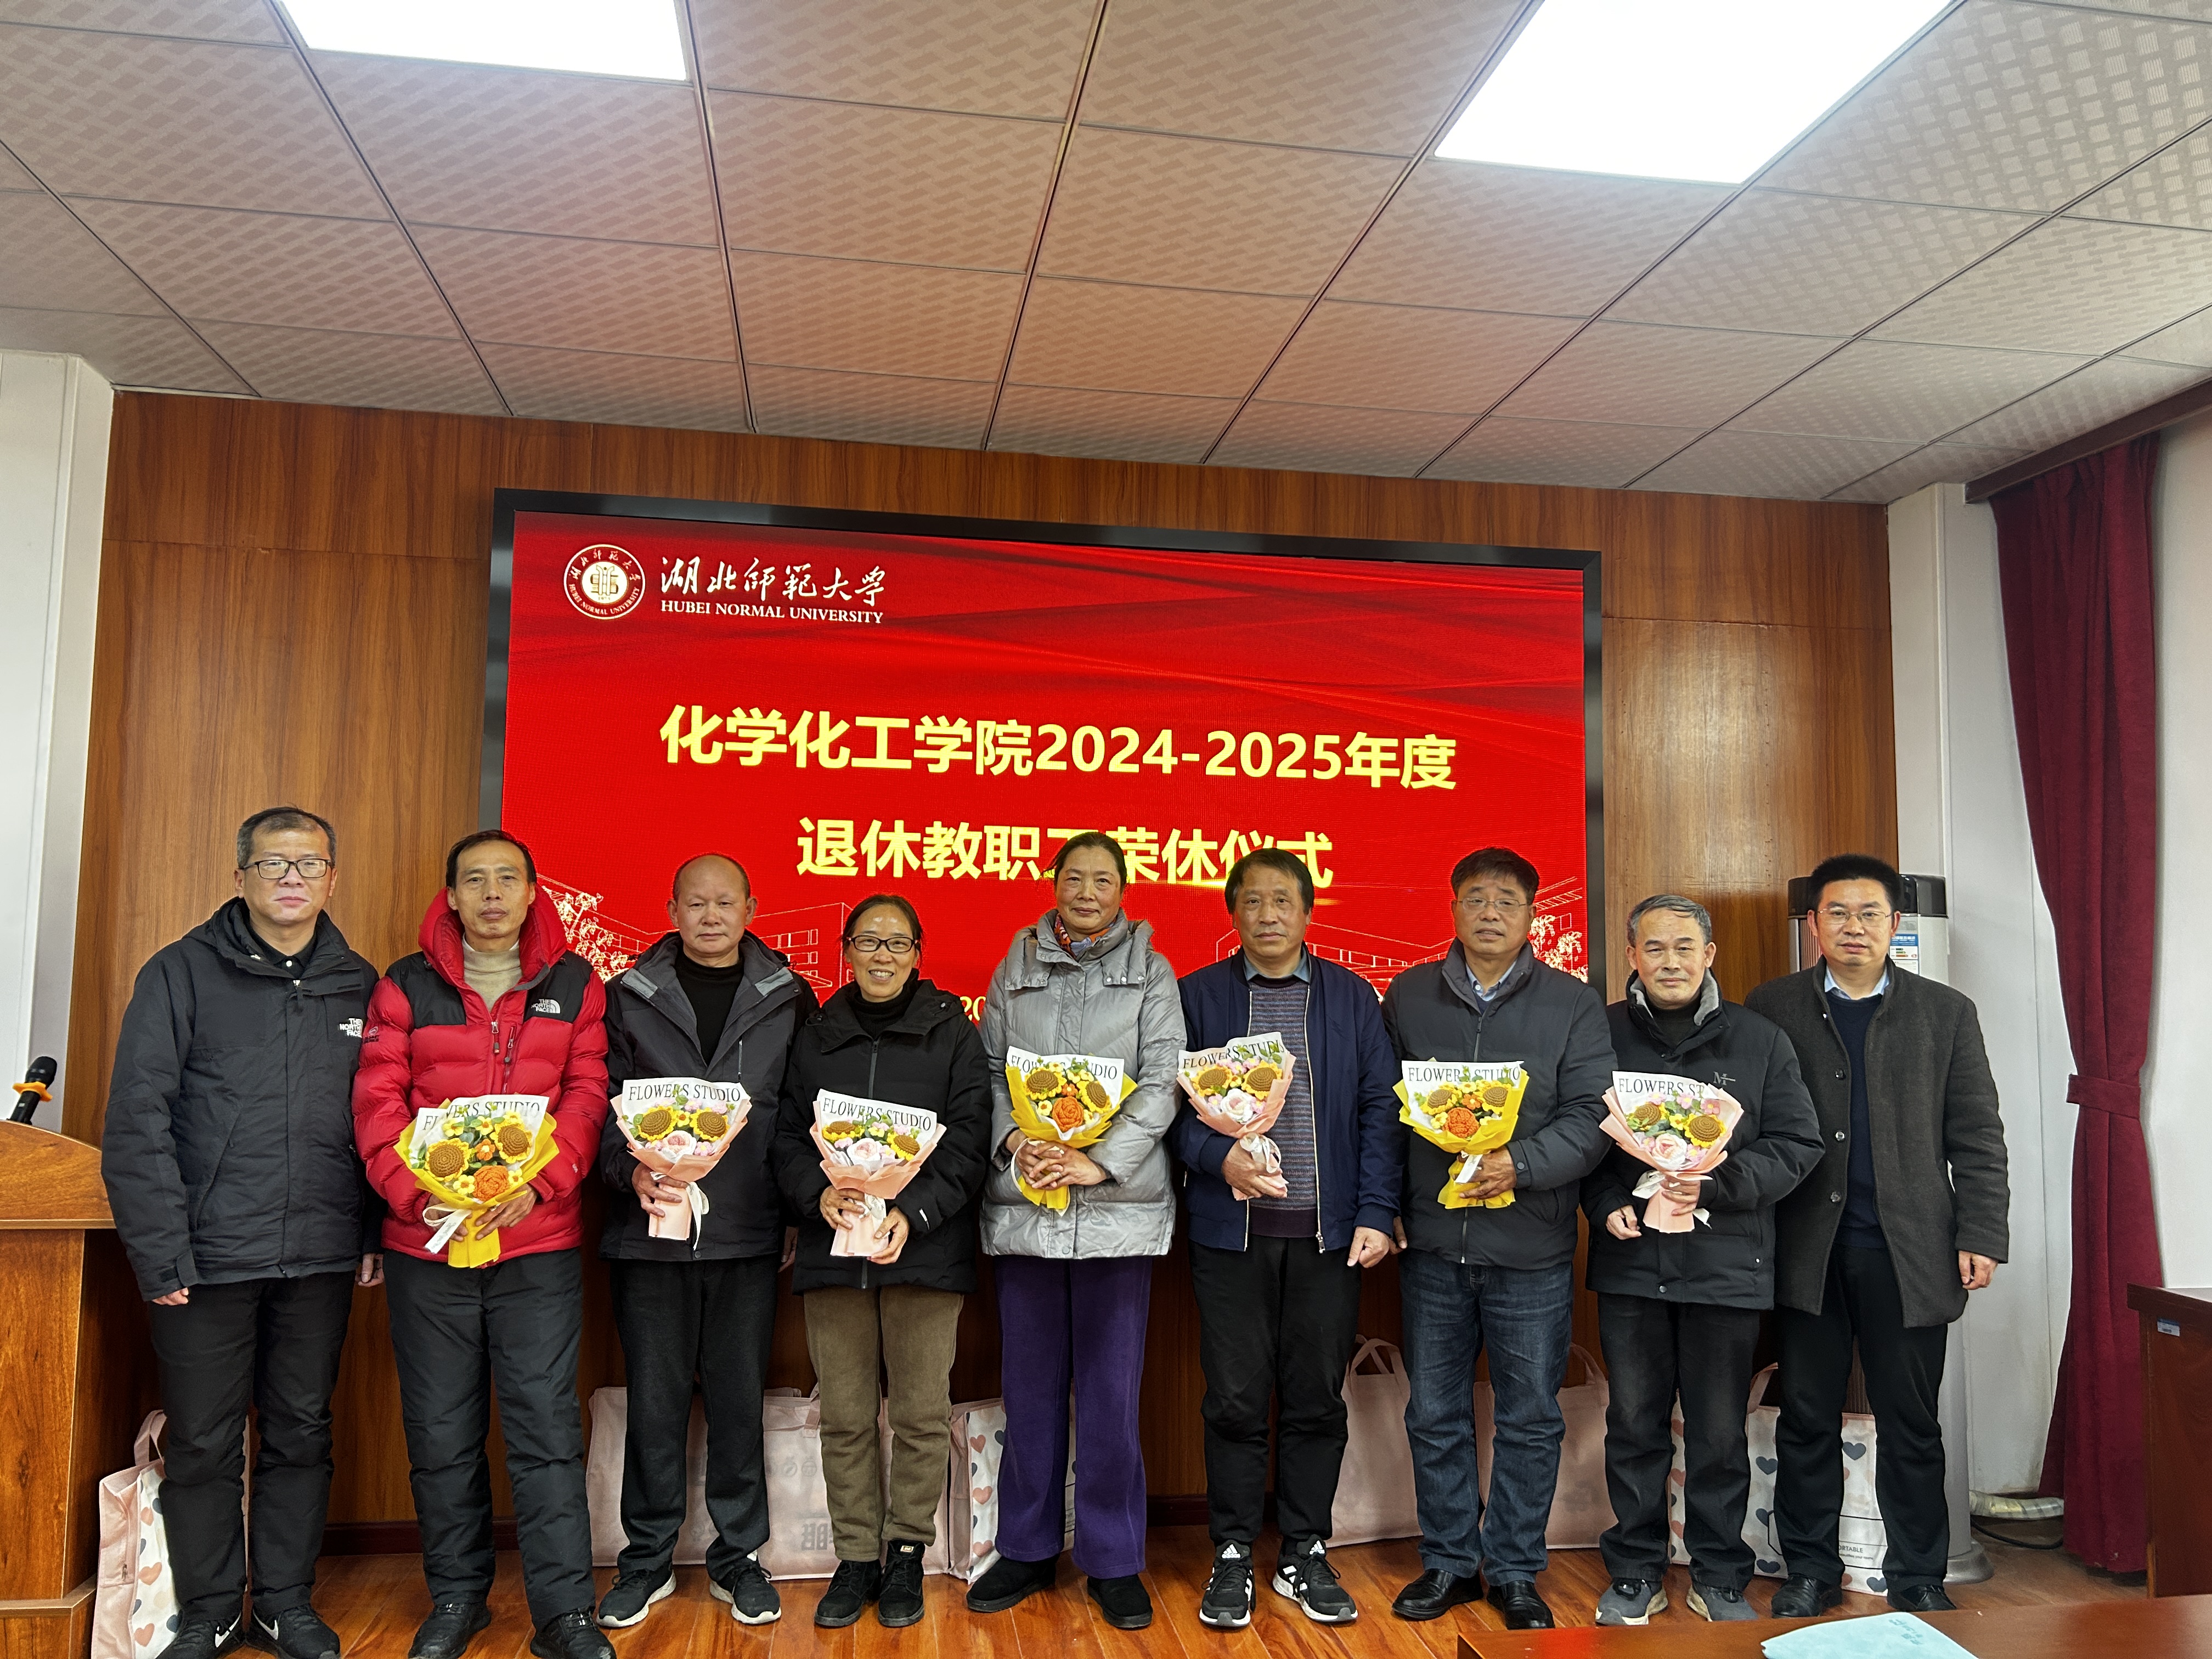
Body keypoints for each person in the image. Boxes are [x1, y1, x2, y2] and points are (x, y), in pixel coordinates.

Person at [101, 808, 379, 1659]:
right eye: (273, 864)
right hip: (206, 1258)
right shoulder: (180, 972)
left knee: (302, 1432)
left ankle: (285, 1604)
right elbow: (137, 1118)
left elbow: (383, 1115)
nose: (292, 879)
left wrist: (371, 1229)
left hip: (322, 1252)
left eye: (309, 864)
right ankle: (211, 1610)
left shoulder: (359, 982)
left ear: (332, 878)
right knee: (204, 1441)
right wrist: (159, 1252)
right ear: (241, 878)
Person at [353, 831, 614, 1659]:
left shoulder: (574, 983)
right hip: (426, 1245)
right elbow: (377, 1102)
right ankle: (458, 1599)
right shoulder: (405, 985)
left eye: (508, 879)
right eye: (475, 881)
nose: (493, 894)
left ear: (533, 892)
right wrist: (417, 1193)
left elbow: (587, 1094)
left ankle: (565, 1615)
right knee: (440, 1430)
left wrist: (541, 1184)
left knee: (545, 1430)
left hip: (537, 1243)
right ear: (453, 895)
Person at [1746, 854, 2008, 1617]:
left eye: (1869, 914)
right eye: (1837, 913)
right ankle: (1809, 1571)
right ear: (1813, 923)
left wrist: (1982, 1232)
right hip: (1807, 1250)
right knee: (1806, 1419)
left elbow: (1977, 1135)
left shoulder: (1945, 1012)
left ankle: (1919, 1573)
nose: (1852, 927)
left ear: (1896, 924)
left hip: (1911, 1252)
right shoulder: (1773, 1006)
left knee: (1911, 1423)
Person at [1380, 846, 1613, 1631]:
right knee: (1434, 1412)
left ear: (1531, 916)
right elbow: (1383, 1112)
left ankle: (1514, 1569)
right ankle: (1449, 1562)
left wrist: (1520, 1164)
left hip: (1531, 1248)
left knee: (1530, 1417)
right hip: (1434, 1246)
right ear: (1453, 909)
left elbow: (1591, 1117)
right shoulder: (1409, 995)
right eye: (1476, 899)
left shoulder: (1572, 1003)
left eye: (1507, 901)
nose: (1490, 913)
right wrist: (1389, 1206)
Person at [1171, 847, 1403, 1629]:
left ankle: (1305, 1548)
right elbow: (1166, 1112)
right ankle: (1234, 1551)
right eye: (1252, 901)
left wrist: (1375, 1210)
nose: (1268, 915)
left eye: (1282, 901)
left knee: (1315, 1398)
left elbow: (1380, 1108)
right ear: (1231, 913)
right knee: (1234, 1398)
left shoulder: (1350, 996)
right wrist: (1218, 1158)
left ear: (1307, 912)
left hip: (1326, 1236)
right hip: (1229, 1233)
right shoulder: (1199, 996)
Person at [966, 832, 1186, 1631]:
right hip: (1027, 1207)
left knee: (1109, 1398)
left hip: (1117, 1214)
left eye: (1103, 880)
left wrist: (1102, 1162)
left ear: (1124, 891)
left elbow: (1163, 1079)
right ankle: (1026, 1550)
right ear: (1053, 883)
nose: (1087, 892)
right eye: (1074, 878)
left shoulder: (1152, 972)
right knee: (1028, 1393)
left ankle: (1113, 1558)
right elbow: (989, 1072)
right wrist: (1016, 1143)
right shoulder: (1015, 965)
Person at [1582, 895, 1822, 1626]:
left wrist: (1717, 1184)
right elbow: (1578, 1135)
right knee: (1634, 1424)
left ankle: (1720, 1576)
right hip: (1633, 1264)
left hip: (1727, 1266)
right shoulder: (1601, 1033)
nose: (1671, 962)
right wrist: (1604, 1200)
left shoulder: (1760, 1039)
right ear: (1632, 956)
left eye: (1685, 947)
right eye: (1654, 948)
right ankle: (1635, 1572)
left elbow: (1798, 1144)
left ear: (1709, 955)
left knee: (1719, 1434)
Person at [592, 855, 818, 1631]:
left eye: (726, 903)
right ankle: (646, 1562)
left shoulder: (789, 995)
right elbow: (596, 1104)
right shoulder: (628, 994)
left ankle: (738, 1558)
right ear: (672, 909)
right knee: (655, 1401)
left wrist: (794, 1212)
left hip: (747, 1229)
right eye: (696, 903)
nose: (711, 916)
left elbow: (800, 1115)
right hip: (648, 1231)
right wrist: (630, 1173)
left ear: (752, 908)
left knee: (737, 1401)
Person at [772, 896, 992, 1629]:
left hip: (925, 1250)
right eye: (868, 941)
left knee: (922, 1415)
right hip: (834, 1251)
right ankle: (856, 1556)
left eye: (897, 943)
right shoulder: (816, 1034)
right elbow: (786, 1136)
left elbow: (970, 1138)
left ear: (918, 955)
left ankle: (905, 1552)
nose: (882, 956)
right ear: (846, 950)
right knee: (844, 1416)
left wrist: (914, 1213)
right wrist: (817, 1197)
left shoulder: (952, 1031)